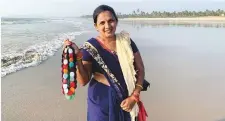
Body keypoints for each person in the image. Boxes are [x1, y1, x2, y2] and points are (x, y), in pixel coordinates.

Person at [63, 4, 147, 121]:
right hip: (100, 103)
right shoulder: (91, 47)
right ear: (96, 26)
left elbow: (141, 69)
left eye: (111, 21)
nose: (107, 26)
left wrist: (134, 97)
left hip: (127, 100)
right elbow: (83, 81)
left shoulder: (126, 42)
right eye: (102, 23)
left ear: (116, 21)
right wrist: (78, 57)